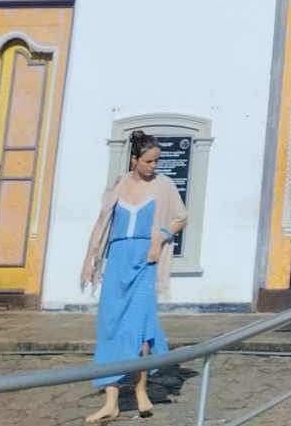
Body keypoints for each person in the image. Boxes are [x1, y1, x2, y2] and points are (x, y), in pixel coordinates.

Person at [82, 131, 188, 423]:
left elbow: (181, 217)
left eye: (157, 161)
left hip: (145, 261)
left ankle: (141, 390)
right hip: (117, 261)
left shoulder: (163, 186)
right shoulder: (117, 185)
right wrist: (90, 260)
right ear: (134, 159)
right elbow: (102, 222)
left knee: (140, 329)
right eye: (149, 161)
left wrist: (159, 241)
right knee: (111, 327)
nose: (154, 166)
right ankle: (111, 402)